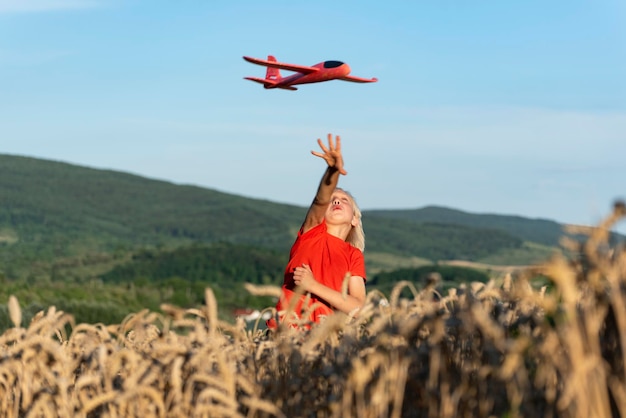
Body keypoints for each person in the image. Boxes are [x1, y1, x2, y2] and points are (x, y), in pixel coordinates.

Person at [268, 133, 366, 328]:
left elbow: (358, 308)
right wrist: (332, 172)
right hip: (287, 336)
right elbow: (321, 198)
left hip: (325, 343)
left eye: (344, 200)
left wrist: (312, 286)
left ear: (355, 219)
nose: (336, 200)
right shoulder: (311, 233)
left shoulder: (353, 255)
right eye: (333, 199)